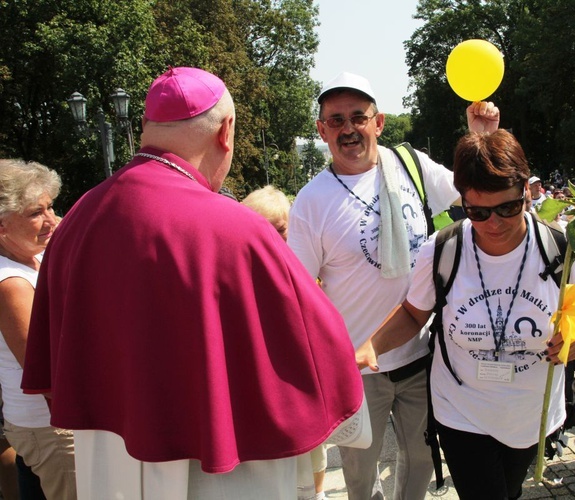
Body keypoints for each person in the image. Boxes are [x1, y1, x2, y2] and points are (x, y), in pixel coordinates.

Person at [21, 67, 363, 499]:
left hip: (110, 455)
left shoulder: (79, 219)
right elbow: (312, 343)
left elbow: (56, 364)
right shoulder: (237, 229)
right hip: (222, 462)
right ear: (226, 131)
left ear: (147, 128)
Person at [356, 129, 575, 500]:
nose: (494, 224)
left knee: (508, 490)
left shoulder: (562, 247)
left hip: (529, 413)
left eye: (507, 208)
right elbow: (413, 314)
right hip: (461, 409)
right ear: (463, 201)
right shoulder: (442, 250)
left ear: (526, 190)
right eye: (477, 212)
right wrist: (371, 347)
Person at [287, 71, 499, 500]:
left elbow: (478, 192)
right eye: (335, 120)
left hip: (423, 354)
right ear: (321, 130)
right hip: (359, 366)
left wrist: (484, 140)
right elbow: (298, 290)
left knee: (421, 461)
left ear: (379, 122)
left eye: (358, 117)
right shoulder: (312, 200)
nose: (348, 129)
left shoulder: (412, 165)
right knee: (360, 472)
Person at [241, 185, 328, 500]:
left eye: (279, 229)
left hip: (302, 377)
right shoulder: (240, 269)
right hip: (264, 380)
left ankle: (317, 493)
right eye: (261, 229)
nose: (272, 238)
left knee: (314, 449)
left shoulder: (307, 267)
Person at [0, 159, 76, 499]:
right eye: (35, 213)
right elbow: (45, 370)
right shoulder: (10, 283)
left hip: (48, 423)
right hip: (52, 425)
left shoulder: (34, 257)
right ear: (2, 226)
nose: (51, 220)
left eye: (51, 207)